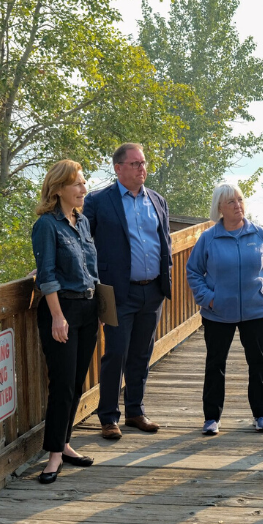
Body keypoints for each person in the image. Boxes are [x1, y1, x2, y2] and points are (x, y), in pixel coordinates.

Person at [82, 143, 172, 440]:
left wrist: (165, 280)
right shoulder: (98, 201)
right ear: (118, 168)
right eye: (134, 164)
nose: (141, 168)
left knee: (141, 353)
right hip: (116, 292)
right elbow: (81, 240)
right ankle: (108, 417)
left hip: (152, 291)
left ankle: (135, 411)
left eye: (143, 163)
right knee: (116, 353)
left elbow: (165, 243)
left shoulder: (157, 200)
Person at [185, 183, 263, 436]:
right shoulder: (208, 238)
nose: (238, 206)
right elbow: (193, 271)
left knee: (258, 364)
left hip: (256, 312)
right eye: (231, 202)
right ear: (220, 208)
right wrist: (208, 298)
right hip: (217, 314)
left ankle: (262, 415)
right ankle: (211, 418)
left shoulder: (259, 234)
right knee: (215, 364)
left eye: (240, 200)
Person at [31, 159, 101, 484]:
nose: (83, 189)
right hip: (62, 312)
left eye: (84, 183)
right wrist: (58, 317)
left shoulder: (82, 221)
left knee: (75, 383)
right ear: (58, 189)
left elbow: (91, 270)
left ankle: (66, 443)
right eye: (77, 184)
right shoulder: (46, 225)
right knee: (61, 384)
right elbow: (46, 276)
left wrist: (101, 310)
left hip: (87, 310)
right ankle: (54, 456)